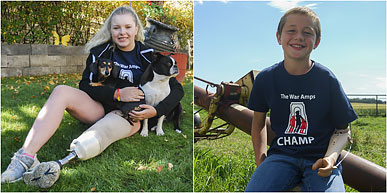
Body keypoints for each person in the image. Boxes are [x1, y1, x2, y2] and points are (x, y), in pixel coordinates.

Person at [1, 6, 184, 183]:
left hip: (128, 114)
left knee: (104, 130)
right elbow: (85, 85)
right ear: (110, 30)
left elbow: (177, 90)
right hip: (97, 107)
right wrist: (117, 94)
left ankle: (66, 158)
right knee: (61, 91)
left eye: (128, 27)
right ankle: (25, 158)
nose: (123, 32)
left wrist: (155, 111)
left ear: (136, 28)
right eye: (117, 27)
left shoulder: (146, 55)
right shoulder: (100, 51)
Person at [245, 7, 357, 192]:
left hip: (319, 158)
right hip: (281, 156)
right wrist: (261, 161)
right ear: (278, 37)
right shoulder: (266, 79)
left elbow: (343, 130)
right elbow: (258, 125)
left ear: (317, 42)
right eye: (291, 30)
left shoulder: (327, 79)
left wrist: (330, 158)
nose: (299, 37)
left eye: (307, 33)